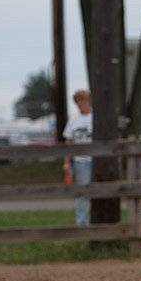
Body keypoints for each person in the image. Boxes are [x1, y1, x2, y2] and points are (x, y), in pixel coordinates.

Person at [63, 89, 93, 226]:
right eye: (78, 101)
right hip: (81, 161)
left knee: (100, 190)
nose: (80, 104)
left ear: (88, 101)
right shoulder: (74, 120)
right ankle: (82, 223)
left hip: (97, 160)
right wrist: (67, 162)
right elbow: (68, 142)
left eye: (82, 100)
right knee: (82, 193)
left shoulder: (95, 117)